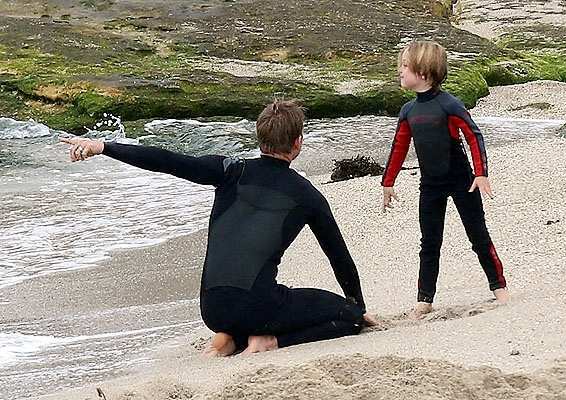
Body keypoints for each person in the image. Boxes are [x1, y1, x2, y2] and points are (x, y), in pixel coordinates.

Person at [61, 100, 375, 356]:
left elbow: (166, 160)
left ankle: (228, 340)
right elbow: (339, 258)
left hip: (212, 309)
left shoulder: (228, 171)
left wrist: (103, 146)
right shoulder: (308, 195)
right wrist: (357, 307)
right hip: (258, 308)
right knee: (345, 316)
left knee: (259, 302)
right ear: (298, 143)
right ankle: (268, 342)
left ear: (259, 138)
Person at [381, 40, 509, 319]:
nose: (399, 71)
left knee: (477, 235)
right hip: (430, 186)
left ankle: (499, 287)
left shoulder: (449, 104)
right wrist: (387, 182)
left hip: (463, 180)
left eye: (404, 66)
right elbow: (399, 147)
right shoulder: (408, 111)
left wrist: (481, 173)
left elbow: (474, 136)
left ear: (424, 71)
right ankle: (424, 299)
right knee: (429, 242)